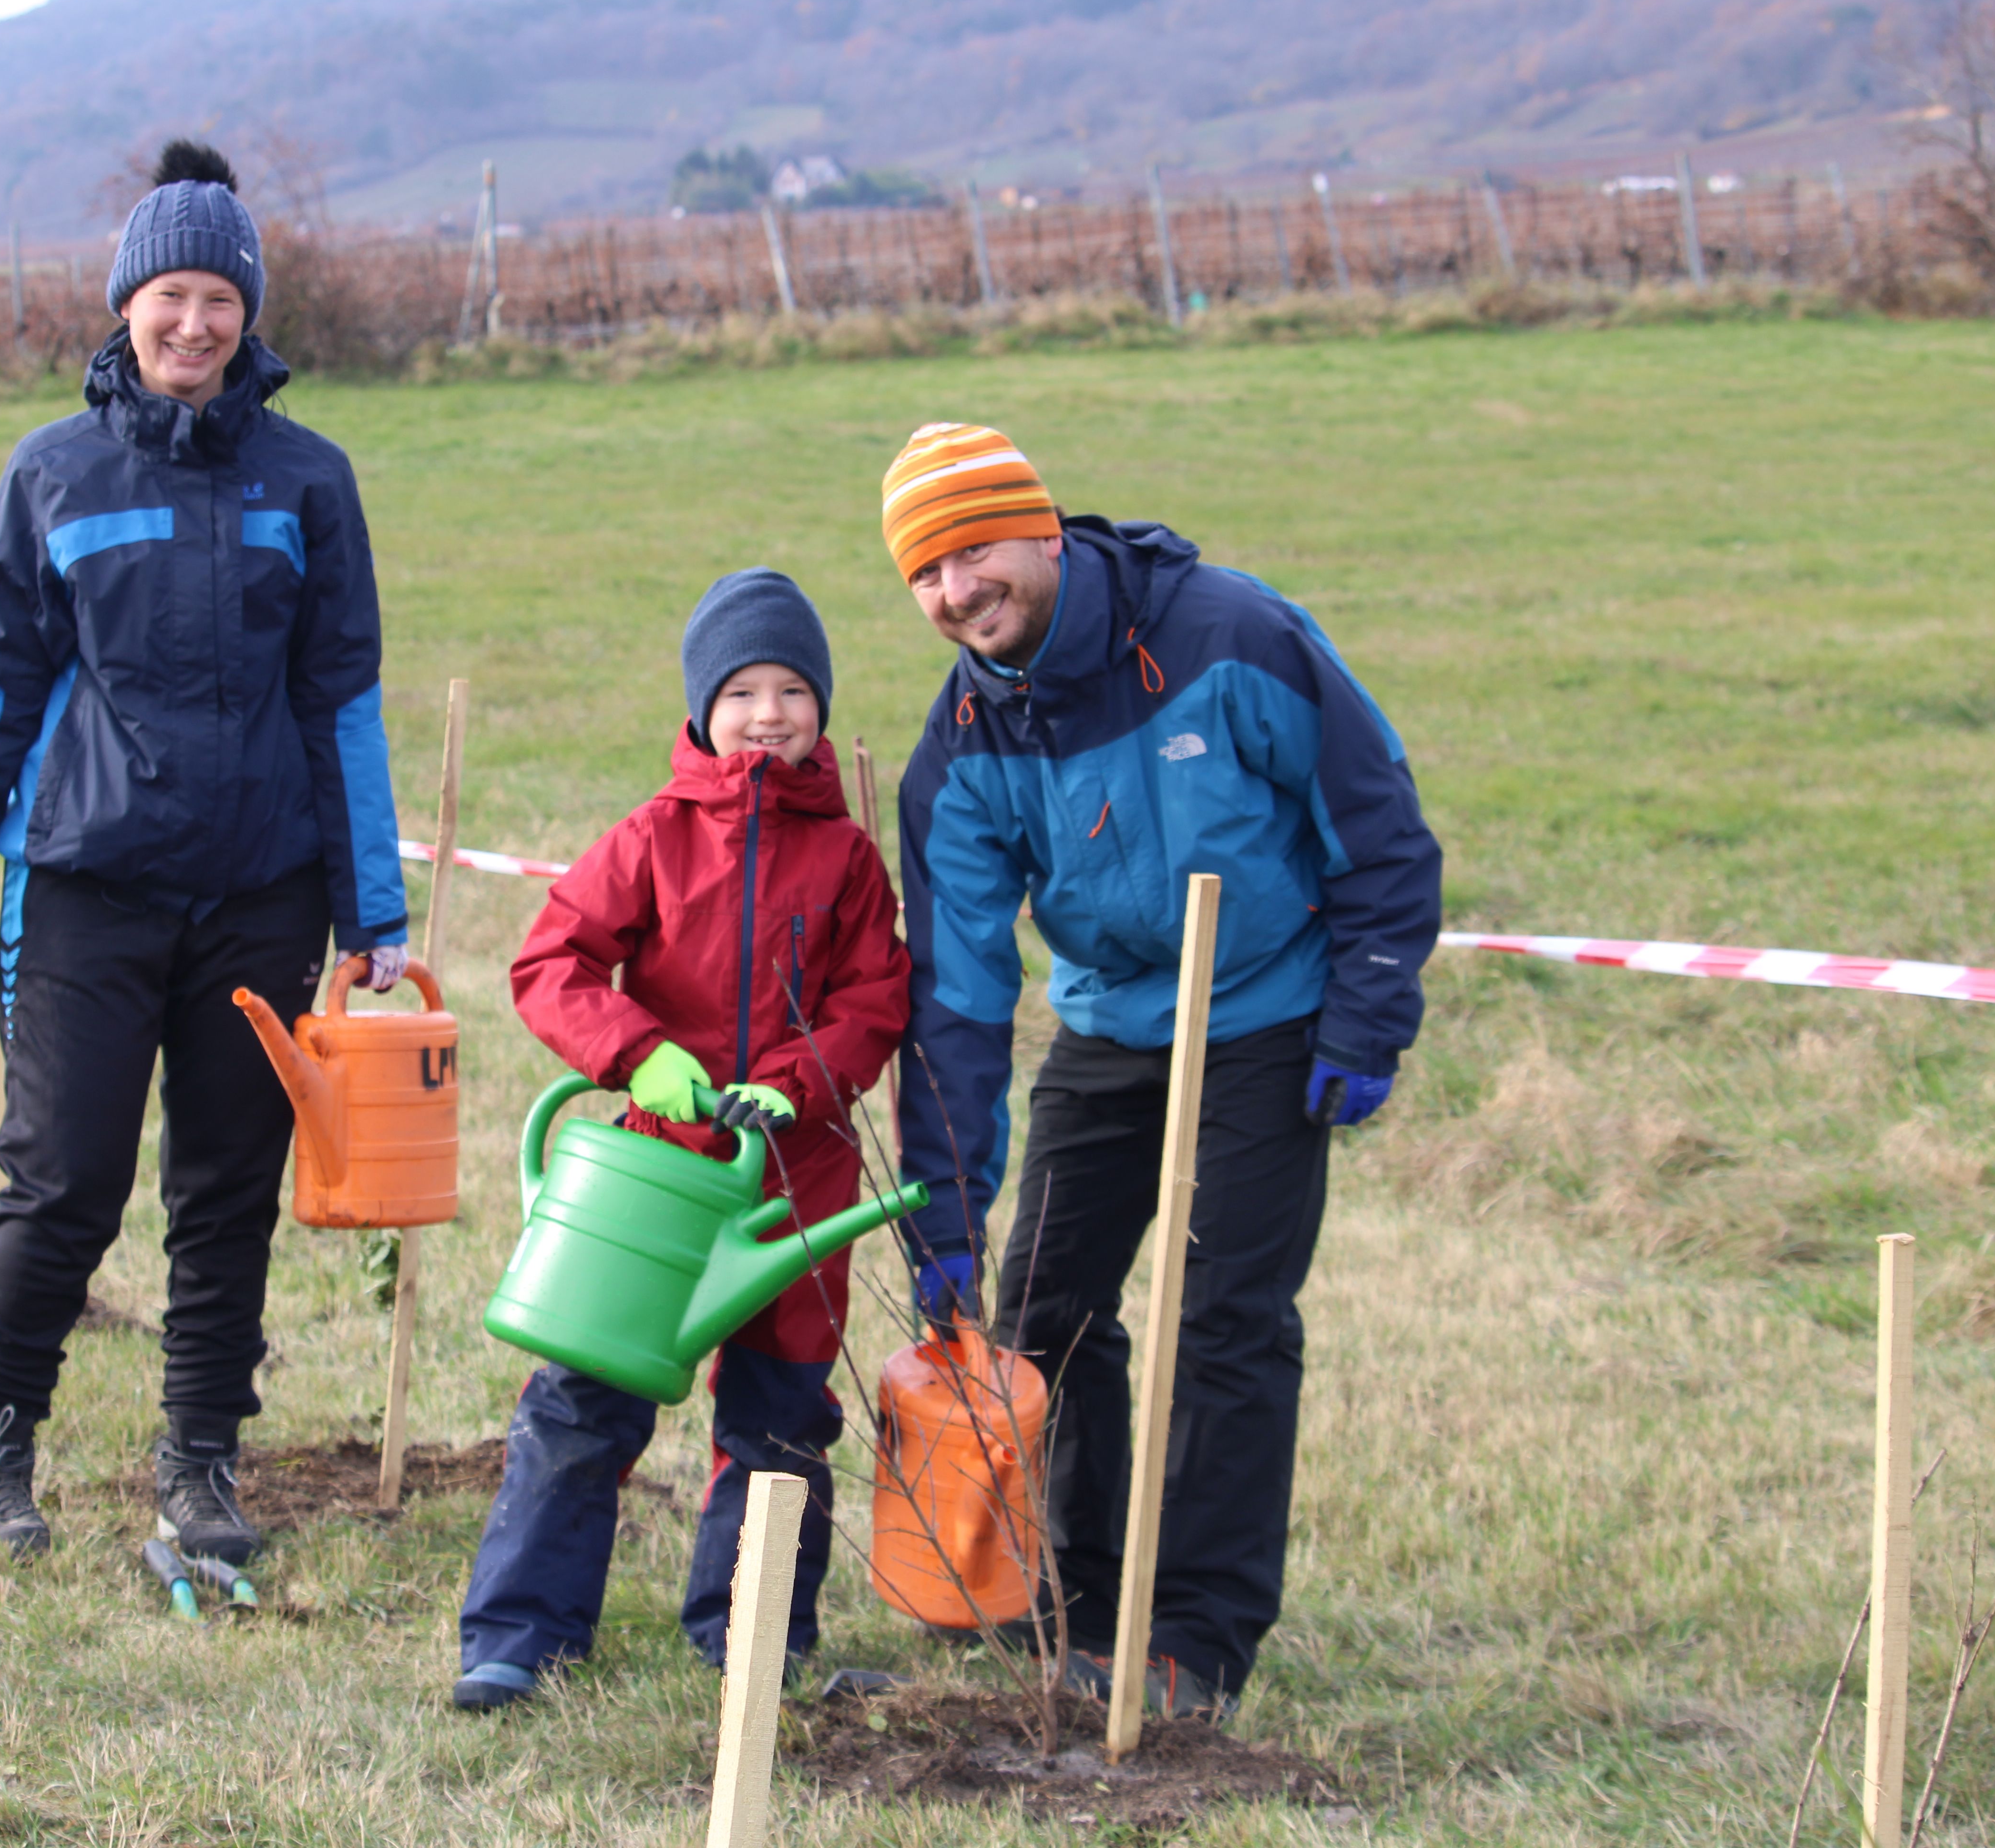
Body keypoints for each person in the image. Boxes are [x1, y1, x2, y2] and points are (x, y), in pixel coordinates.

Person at [883, 421, 1441, 1717]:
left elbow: (1380, 828)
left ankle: (1193, 1631)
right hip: (1113, 1024)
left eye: (974, 554)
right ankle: (1071, 1596)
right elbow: (958, 997)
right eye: (926, 575)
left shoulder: (1227, 638)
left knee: (1228, 1323)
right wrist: (945, 1205)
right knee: (1040, 1313)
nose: (958, 594)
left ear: (1041, 527)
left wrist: (1365, 1015)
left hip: (1266, 1015)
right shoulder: (965, 738)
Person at [0, 140, 410, 1565]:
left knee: (227, 1188)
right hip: (84, 889)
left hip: (263, 895)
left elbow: (342, 704)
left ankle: (200, 1468)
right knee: (62, 1182)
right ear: (126, 303)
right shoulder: (52, 476)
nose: (194, 327)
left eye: (221, 303)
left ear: (252, 316)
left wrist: (374, 910)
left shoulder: (310, 483)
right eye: (169, 297)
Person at [452, 568, 909, 1711]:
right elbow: (549, 964)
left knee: (784, 1413)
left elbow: (875, 1000)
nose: (769, 712)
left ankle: (750, 1637)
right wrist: (635, 1051)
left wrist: (800, 1086)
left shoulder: (849, 858)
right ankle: (522, 1633)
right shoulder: (653, 836)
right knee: (583, 1400)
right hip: (657, 1172)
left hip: (795, 1181)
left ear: (822, 707)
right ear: (704, 706)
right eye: (744, 689)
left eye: (794, 689)